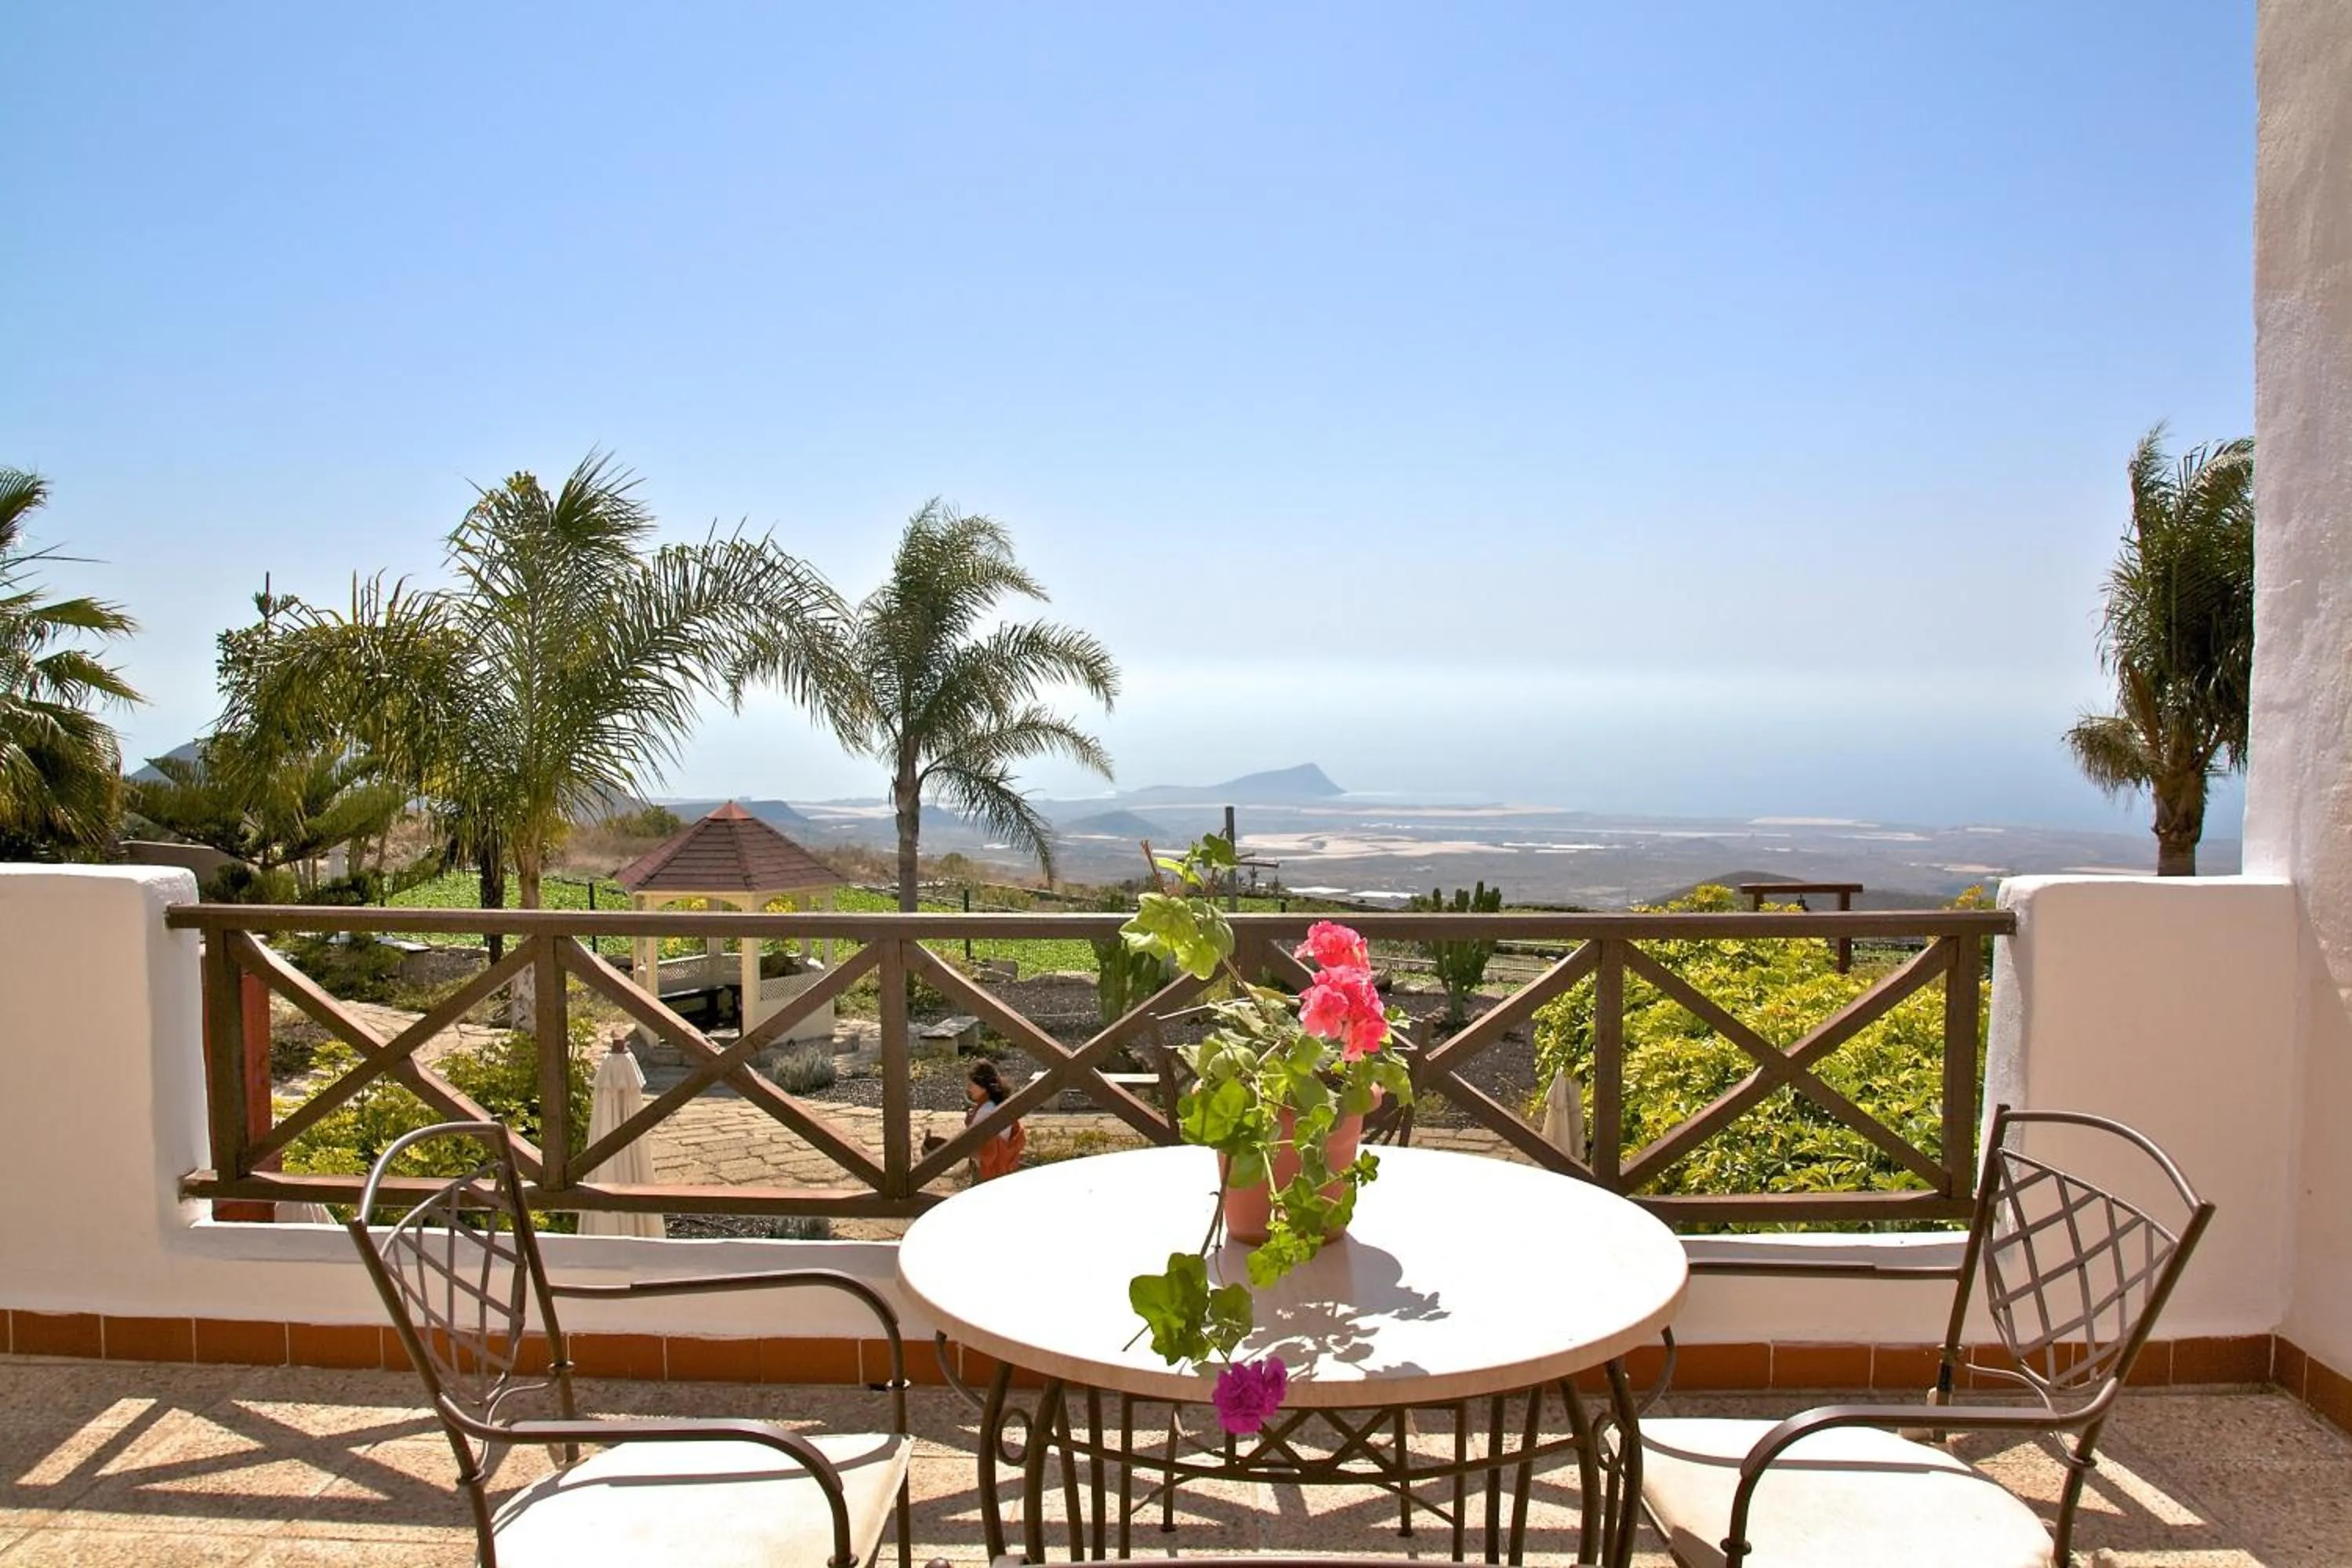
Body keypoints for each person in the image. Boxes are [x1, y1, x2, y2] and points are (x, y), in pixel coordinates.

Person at [965, 1060, 1025, 1181]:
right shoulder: (998, 1104)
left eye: (972, 1084)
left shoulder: (986, 1111)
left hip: (989, 1173)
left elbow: (982, 1151)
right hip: (1003, 1168)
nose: (969, 1088)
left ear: (983, 1086)